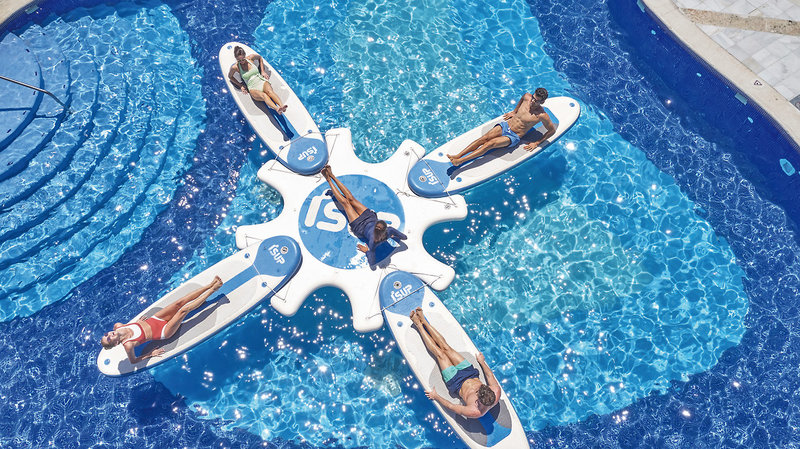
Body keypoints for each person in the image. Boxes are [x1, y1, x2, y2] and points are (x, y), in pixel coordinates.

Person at [100, 276, 223, 364]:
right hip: (164, 331)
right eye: (109, 338)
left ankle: (210, 284)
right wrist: (150, 354)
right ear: (116, 343)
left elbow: (130, 326)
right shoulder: (128, 345)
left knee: (179, 302)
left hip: (156, 319)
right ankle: (213, 290)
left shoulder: (118, 326)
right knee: (183, 310)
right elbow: (133, 361)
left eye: (106, 334)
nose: (109, 334)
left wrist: (137, 323)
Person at [410, 307, 501, 419]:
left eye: (477, 393)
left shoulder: (474, 411)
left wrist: (436, 396)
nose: (476, 391)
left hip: (456, 382)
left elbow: (451, 406)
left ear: (478, 401)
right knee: (446, 347)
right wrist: (482, 362)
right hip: (470, 373)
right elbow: (489, 375)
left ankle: (419, 325)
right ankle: (423, 320)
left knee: (440, 354)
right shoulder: (496, 391)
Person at [321, 165, 407, 265]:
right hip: (369, 218)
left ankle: (329, 179)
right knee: (351, 199)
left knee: (346, 203)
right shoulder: (388, 232)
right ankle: (331, 175)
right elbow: (404, 237)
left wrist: (367, 251)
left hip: (359, 226)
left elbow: (372, 262)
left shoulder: (374, 241)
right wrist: (393, 236)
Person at [447, 88, 556, 166]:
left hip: (513, 136)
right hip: (506, 125)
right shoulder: (527, 96)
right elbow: (522, 99)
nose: (532, 101)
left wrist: (536, 143)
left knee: (489, 144)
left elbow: (552, 131)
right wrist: (514, 111)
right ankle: (458, 155)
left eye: (536, 101)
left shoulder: (542, 115)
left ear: (542, 102)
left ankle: (460, 161)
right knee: (483, 138)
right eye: (533, 97)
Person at [227, 46, 288, 114]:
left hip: (261, 80)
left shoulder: (250, 58)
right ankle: (277, 109)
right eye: (239, 60)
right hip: (252, 87)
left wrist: (262, 71)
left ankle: (282, 106)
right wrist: (240, 85)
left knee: (270, 92)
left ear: (245, 55)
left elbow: (260, 58)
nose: (242, 62)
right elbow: (230, 76)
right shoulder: (235, 67)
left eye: (243, 59)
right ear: (236, 59)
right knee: (264, 96)